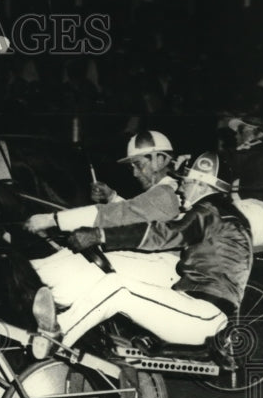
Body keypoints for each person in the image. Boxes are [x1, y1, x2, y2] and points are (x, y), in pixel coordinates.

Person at [30, 152, 253, 361]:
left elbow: (163, 234)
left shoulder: (210, 211)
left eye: (186, 181)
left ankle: (56, 337)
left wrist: (101, 234)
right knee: (115, 282)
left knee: (118, 288)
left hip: (205, 316)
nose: (181, 187)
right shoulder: (224, 214)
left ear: (202, 184)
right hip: (196, 307)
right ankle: (59, 328)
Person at [23, 130, 182, 306]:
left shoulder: (166, 193)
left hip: (164, 267)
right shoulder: (168, 191)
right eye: (132, 167)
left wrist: (53, 219)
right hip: (159, 263)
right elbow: (140, 213)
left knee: (82, 265)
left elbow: (123, 214)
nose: (135, 173)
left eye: (138, 164)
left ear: (160, 160)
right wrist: (112, 197)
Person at [225, 113, 263, 248]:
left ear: (259, 134)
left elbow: (225, 160)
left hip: (252, 222)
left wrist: (191, 158)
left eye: (241, 130)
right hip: (259, 222)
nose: (236, 135)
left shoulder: (258, 153)